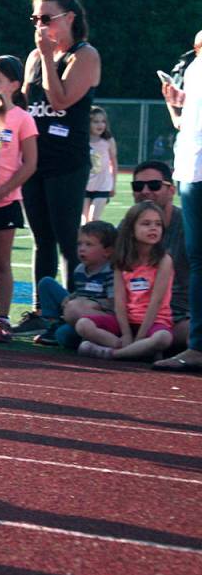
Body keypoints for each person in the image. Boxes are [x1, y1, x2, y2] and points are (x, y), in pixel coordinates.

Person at [15, 0, 101, 335]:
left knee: (68, 238)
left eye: (46, 18)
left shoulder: (84, 55)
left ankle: (72, 310)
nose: (40, 25)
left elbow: (61, 100)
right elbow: (26, 105)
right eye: (35, 18)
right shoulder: (35, 58)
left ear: (70, 18)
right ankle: (42, 309)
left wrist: (49, 58)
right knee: (41, 238)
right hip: (36, 158)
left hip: (67, 160)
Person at [0, 55, 38, 343]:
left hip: (5, 202)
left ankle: (2, 319)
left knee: (1, 262)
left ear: (14, 85)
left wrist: (1, 193)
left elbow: (30, 164)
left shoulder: (22, 118)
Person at [155, 33, 202, 372]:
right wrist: (176, 105)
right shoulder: (195, 67)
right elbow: (186, 125)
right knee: (198, 258)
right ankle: (198, 346)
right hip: (191, 167)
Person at [76, 202, 173, 360]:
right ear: (131, 230)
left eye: (158, 224)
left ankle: (113, 353)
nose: (153, 228)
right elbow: (120, 302)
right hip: (125, 322)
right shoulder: (122, 260)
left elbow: (156, 301)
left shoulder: (163, 260)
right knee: (83, 325)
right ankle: (135, 350)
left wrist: (140, 336)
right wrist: (127, 334)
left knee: (163, 338)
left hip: (154, 322)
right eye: (146, 224)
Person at [123, 161, 191, 352]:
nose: (145, 191)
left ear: (171, 190)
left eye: (154, 185)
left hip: (177, 315)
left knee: (193, 333)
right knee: (75, 314)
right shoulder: (126, 228)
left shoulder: (190, 227)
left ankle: (125, 349)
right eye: (138, 186)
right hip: (131, 314)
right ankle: (141, 347)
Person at [33, 220, 116, 349]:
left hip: (96, 317)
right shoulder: (80, 269)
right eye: (79, 244)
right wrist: (71, 297)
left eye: (89, 244)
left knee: (64, 336)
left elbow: (114, 304)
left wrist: (94, 304)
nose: (82, 248)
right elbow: (82, 291)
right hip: (77, 310)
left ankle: (91, 336)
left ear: (107, 251)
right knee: (46, 283)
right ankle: (54, 323)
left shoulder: (110, 271)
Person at [83, 105, 118, 223]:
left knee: (93, 219)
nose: (100, 125)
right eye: (95, 122)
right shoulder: (82, 140)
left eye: (103, 121)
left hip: (102, 185)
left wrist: (113, 184)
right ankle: (83, 241)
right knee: (84, 221)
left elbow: (113, 162)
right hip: (84, 185)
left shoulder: (108, 140)